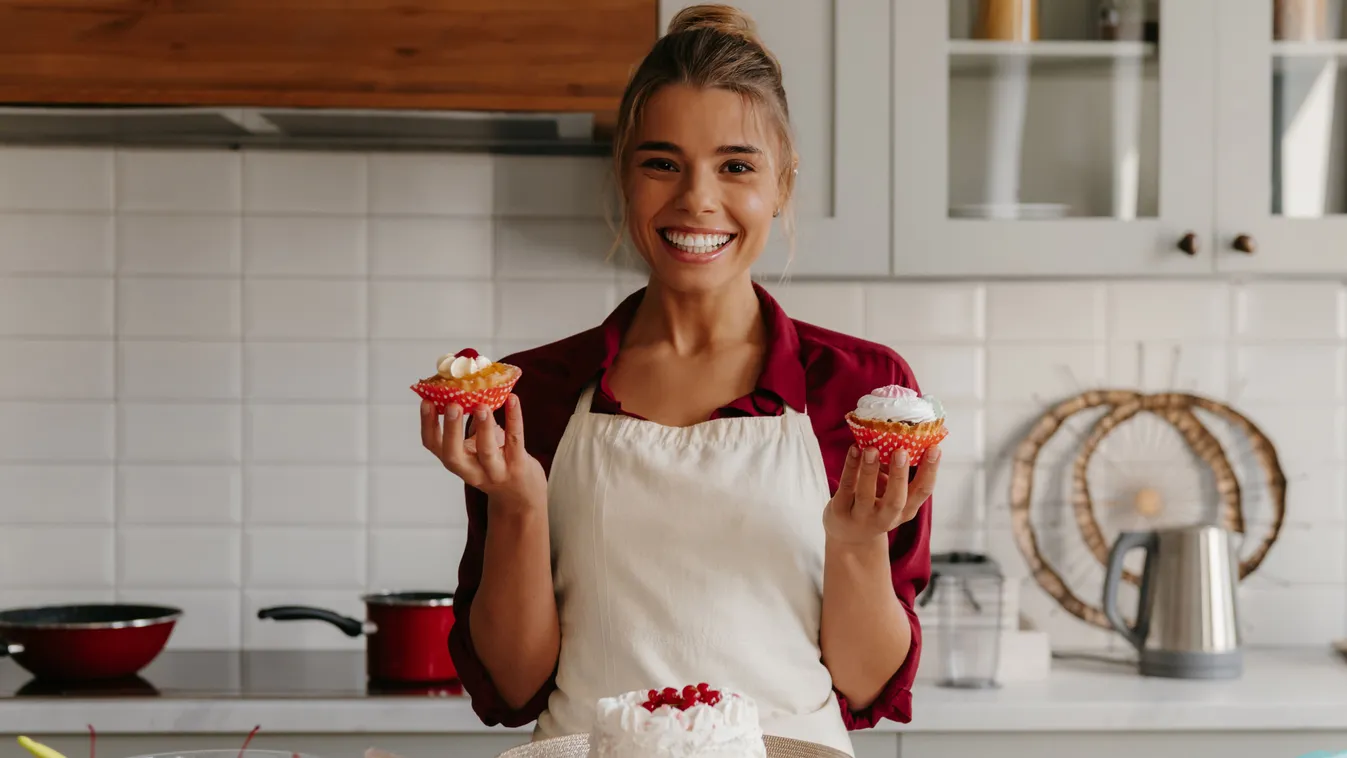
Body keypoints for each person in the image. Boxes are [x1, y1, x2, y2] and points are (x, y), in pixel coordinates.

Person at [418, 5, 939, 755]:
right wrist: (517, 504)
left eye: (736, 166)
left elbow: (864, 685)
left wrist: (856, 543)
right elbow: (512, 683)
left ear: (782, 184)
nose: (696, 198)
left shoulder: (861, 393)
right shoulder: (532, 392)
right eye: (661, 163)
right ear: (625, 177)